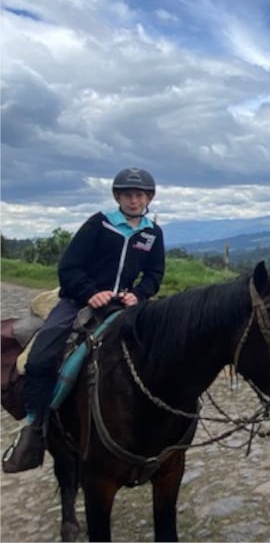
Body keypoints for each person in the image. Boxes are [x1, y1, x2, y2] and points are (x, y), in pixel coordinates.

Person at [2, 167, 166, 473]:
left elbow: (155, 274)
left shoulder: (152, 233)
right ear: (118, 196)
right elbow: (69, 267)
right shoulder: (99, 224)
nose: (134, 200)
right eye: (128, 194)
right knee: (41, 354)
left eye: (140, 194)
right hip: (80, 300)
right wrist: (90, 292)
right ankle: (34, 427)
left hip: (126, 303)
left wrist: (140, 295)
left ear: (149, 198)